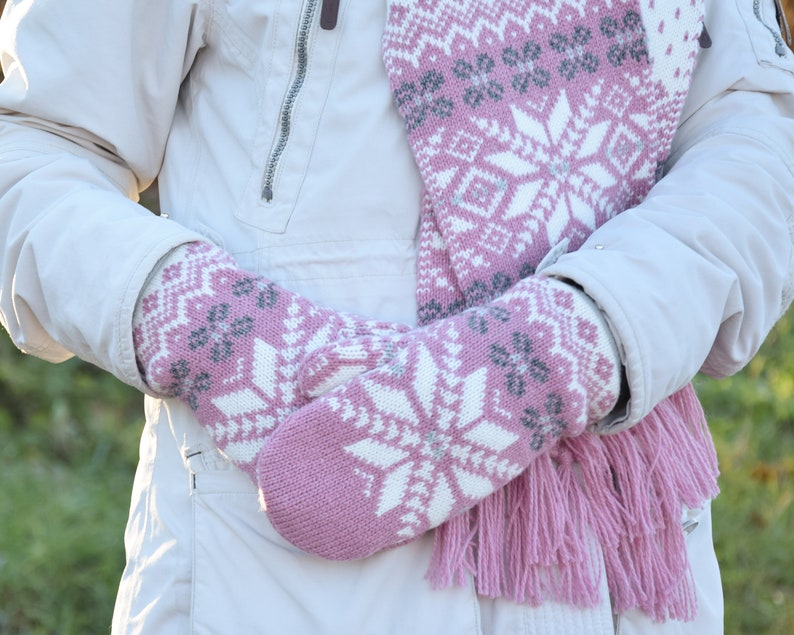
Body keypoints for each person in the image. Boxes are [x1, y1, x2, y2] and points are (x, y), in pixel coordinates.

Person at [0, 0, 792, 633]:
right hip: (275, 569)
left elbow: (757, 139)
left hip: (611, 563)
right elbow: (34, 151)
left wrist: (576, 343)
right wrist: (210, 331)